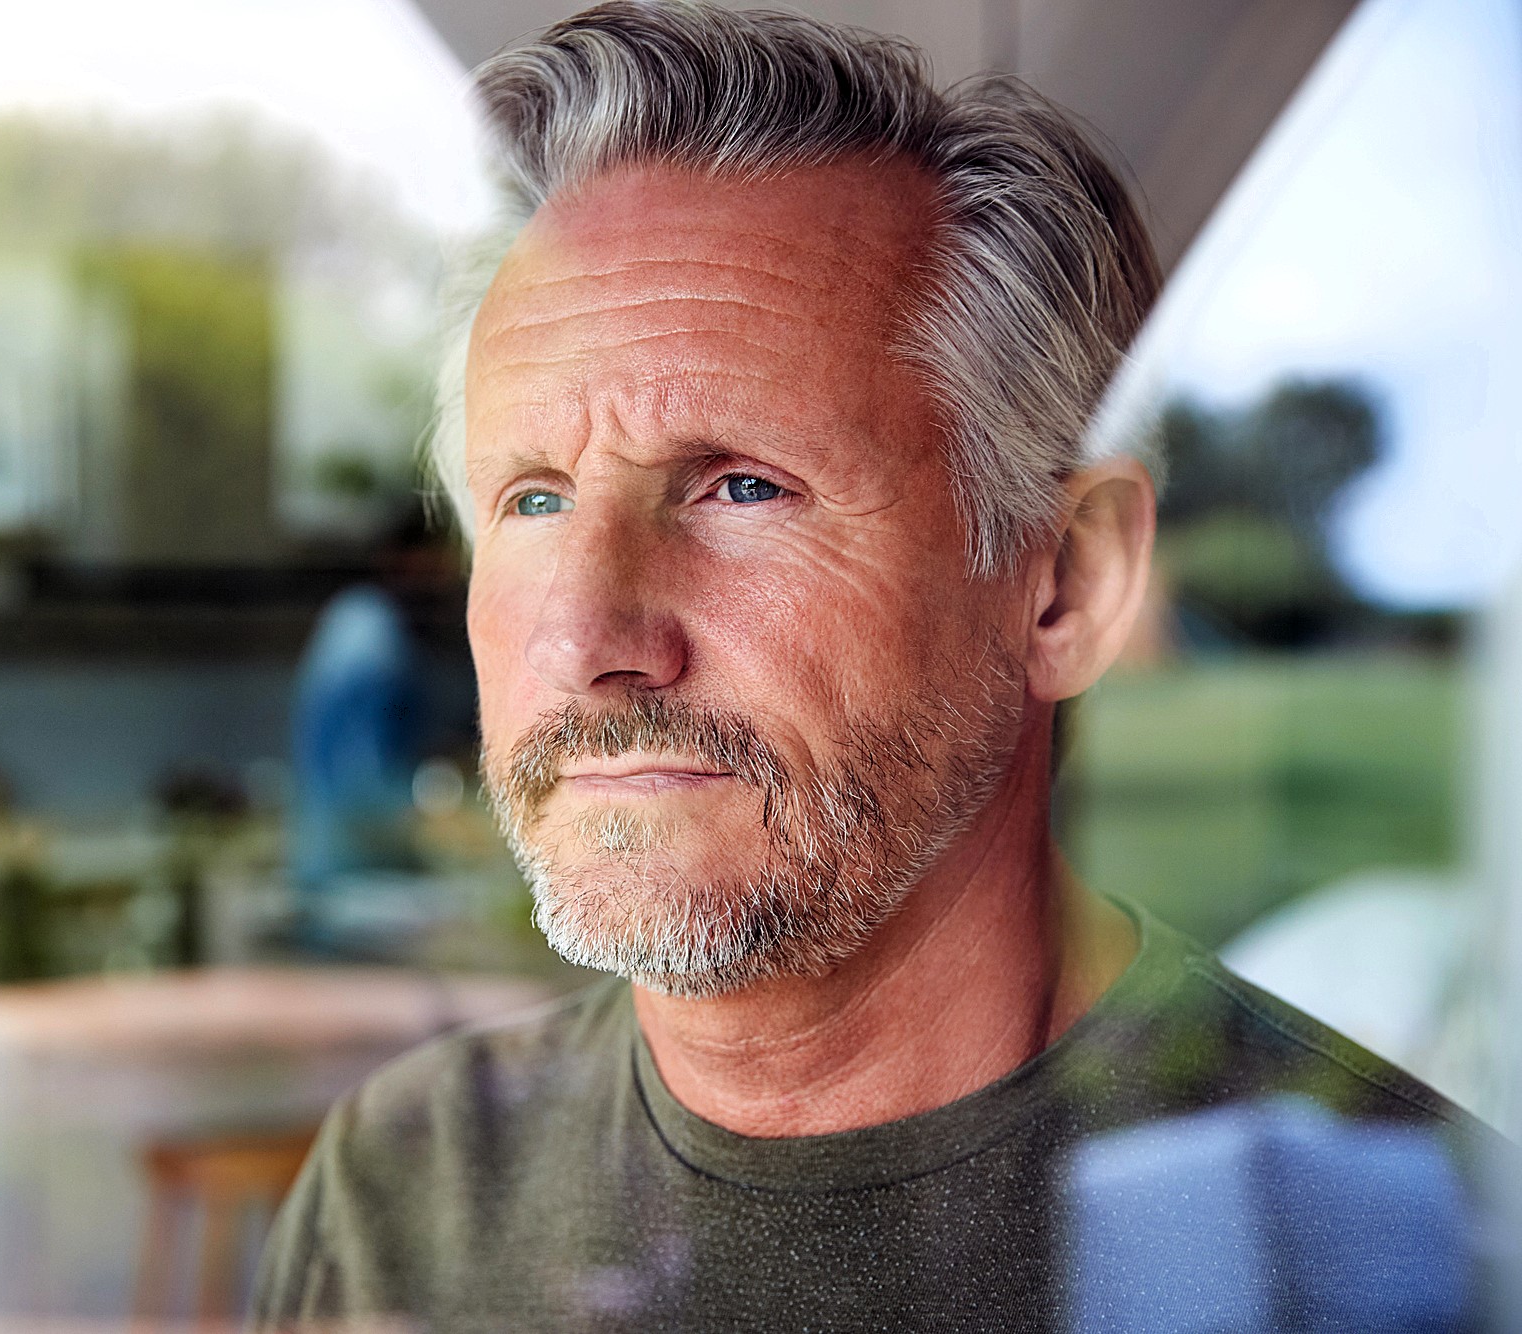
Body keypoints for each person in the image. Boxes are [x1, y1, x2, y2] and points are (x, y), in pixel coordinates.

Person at [250, 4, 1486, 1329]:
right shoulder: (405, 1190)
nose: (588, 641)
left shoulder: (1383, 1251)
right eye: (535, 500)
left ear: (1064, 582)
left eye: (741, 487)